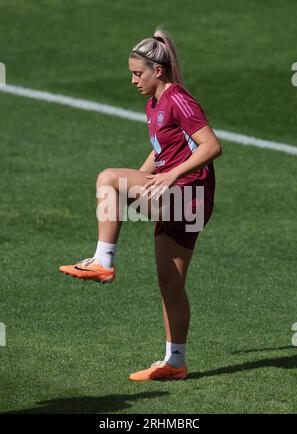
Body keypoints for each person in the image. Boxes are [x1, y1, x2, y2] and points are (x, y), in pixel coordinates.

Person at [59, 28, 222, 381]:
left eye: (138, 73)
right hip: (183, 196)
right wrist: (142, 176)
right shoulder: (156, 103)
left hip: (187, 195)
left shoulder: (179, 99)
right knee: (170, 282)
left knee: (107, 178)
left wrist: (164, 177)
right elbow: (162, 150)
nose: (133, 80)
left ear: (157, 71)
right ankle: (175, 363)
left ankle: (103, 260)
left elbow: (211, 146)